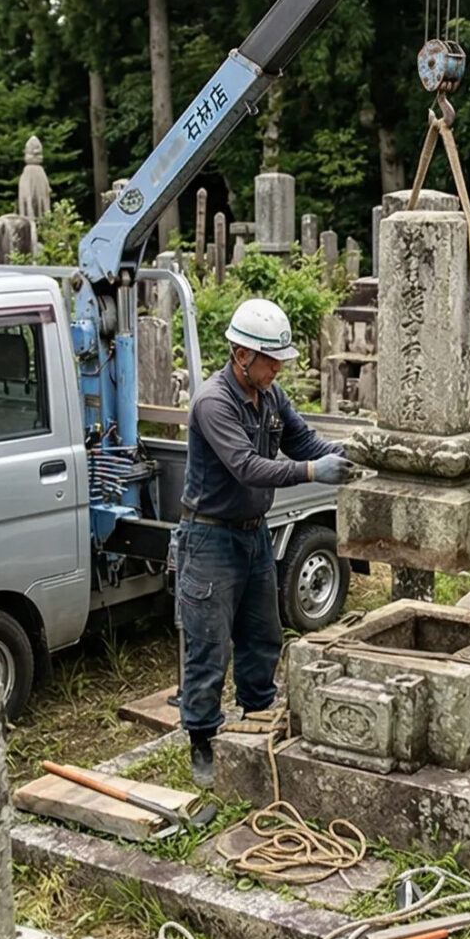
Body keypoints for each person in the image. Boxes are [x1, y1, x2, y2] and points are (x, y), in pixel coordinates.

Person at [177, 299, 351, 787]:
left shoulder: (270, 397)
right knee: (208, 645)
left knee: (262, 635)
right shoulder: (214, 402)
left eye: (280, 360)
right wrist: (313, 473)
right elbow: (247, 466)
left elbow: (304, 441)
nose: (278, 368)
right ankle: (203, 741)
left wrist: (348, 455)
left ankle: (257, 716)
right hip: (209, 536)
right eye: (270, 360)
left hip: (254, 533)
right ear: (241, 356)